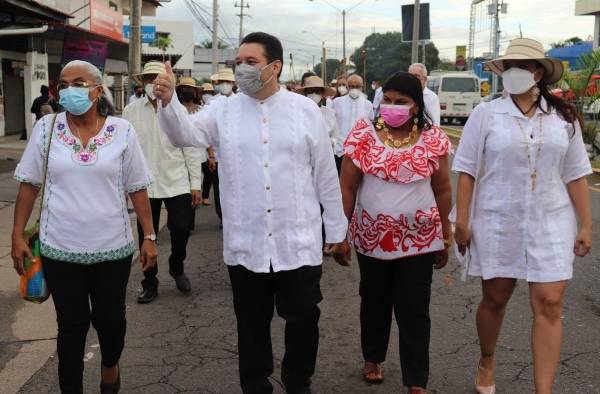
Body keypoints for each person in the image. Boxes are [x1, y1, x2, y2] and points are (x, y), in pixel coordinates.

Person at [153, 31, 350, 394]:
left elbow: (325, 175)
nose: (241, 69)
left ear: (274, 67)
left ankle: (297, 379)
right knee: (251, 322)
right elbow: (184, 135)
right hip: (247, 242)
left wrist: (337, 232)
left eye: (250, 62)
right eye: (237, 62)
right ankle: (256, 383)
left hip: (298, 240)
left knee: (304, 317)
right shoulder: (223, 111)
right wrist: (168, 102)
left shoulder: (305, 111)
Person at [452, 38, 593, 394]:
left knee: (549, 303)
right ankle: (487, 359)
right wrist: (462, 221)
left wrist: (586, 224)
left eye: (524, 65)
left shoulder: (563, 117)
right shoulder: (487, 114)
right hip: (498, 219)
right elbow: (467, 169)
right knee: (495, 298)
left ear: (539, 72)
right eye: (510, 64)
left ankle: (542, 390)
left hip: (551, 220)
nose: (516, 71)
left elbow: (576, 173)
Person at [11, 60, 156, 394]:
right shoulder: (47, 129)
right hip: (59, 247)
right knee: (71, 329)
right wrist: (17, 234)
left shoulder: (122, 131)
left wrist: (149, 236)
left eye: (79, 82)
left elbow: (137, 187)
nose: (70, 90)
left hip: (112, 248)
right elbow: (29, 183)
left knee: (112, 323)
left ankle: (109, 365)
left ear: (97, 88)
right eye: (64, 84)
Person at [340, 71, 452, 393]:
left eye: (400, 102)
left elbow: (443, 190)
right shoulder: (363, 135)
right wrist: (340, 234)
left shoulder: (433, 140)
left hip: (418, 240)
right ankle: (373, 357)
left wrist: (444, 235)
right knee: (373, 301)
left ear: (416, 106)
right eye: (387, 100)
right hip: (371, 239)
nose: (392, 107)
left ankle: (416, 379)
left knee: (414, 309)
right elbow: (347, 187)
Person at [122, 61, 204, 304]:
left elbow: (190, 148)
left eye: (157, 79)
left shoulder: (180, 110)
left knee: (180, 229)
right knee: (147, 236)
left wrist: (196, 184)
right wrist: (123, 184)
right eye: (148, 79)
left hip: (177, 180)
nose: (152, 84)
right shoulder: (131, 112)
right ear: (143, 83)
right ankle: (149, 282)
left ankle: (176, 266)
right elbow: (125, 150)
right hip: (143, 185)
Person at [332, 74, 374, 173]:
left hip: (360, 152)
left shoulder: (368, 104)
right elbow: (332, 125)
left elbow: (370, 127)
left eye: (357, 86)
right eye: (351, 86)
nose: (354, 89)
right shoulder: (337, 102)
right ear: (347, 87)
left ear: (362, 87)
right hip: (340, 150)